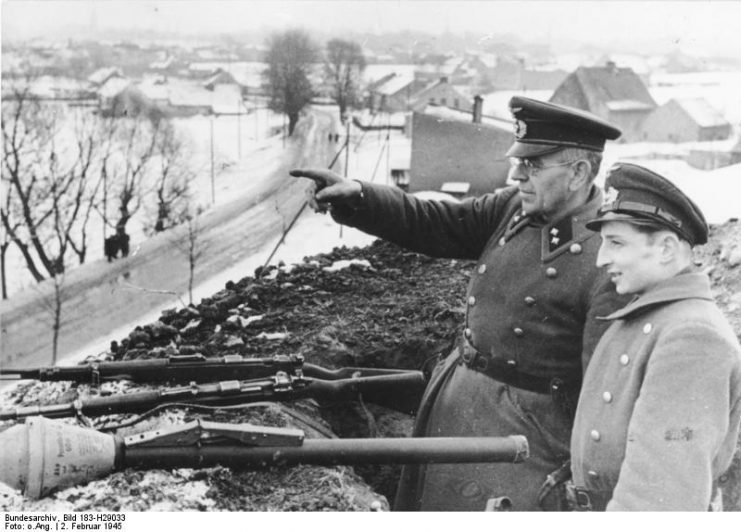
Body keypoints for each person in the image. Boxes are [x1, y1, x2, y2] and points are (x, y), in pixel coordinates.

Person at [291, 97, 628, 511]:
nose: (517, 173)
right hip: (456, 406)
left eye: (533, 165)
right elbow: (435, 222)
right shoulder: (513, 209)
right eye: (519, 161)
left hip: (524, 447)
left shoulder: (608, 257)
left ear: (578, 173)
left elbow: (604, 395)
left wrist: (577, 479)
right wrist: (358, 197)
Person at [569, 163, 741, 511]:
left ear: (665, 249)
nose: (602, 259)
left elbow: (659, 497)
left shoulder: (692, 337)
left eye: (616, 243)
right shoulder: (652, 315)